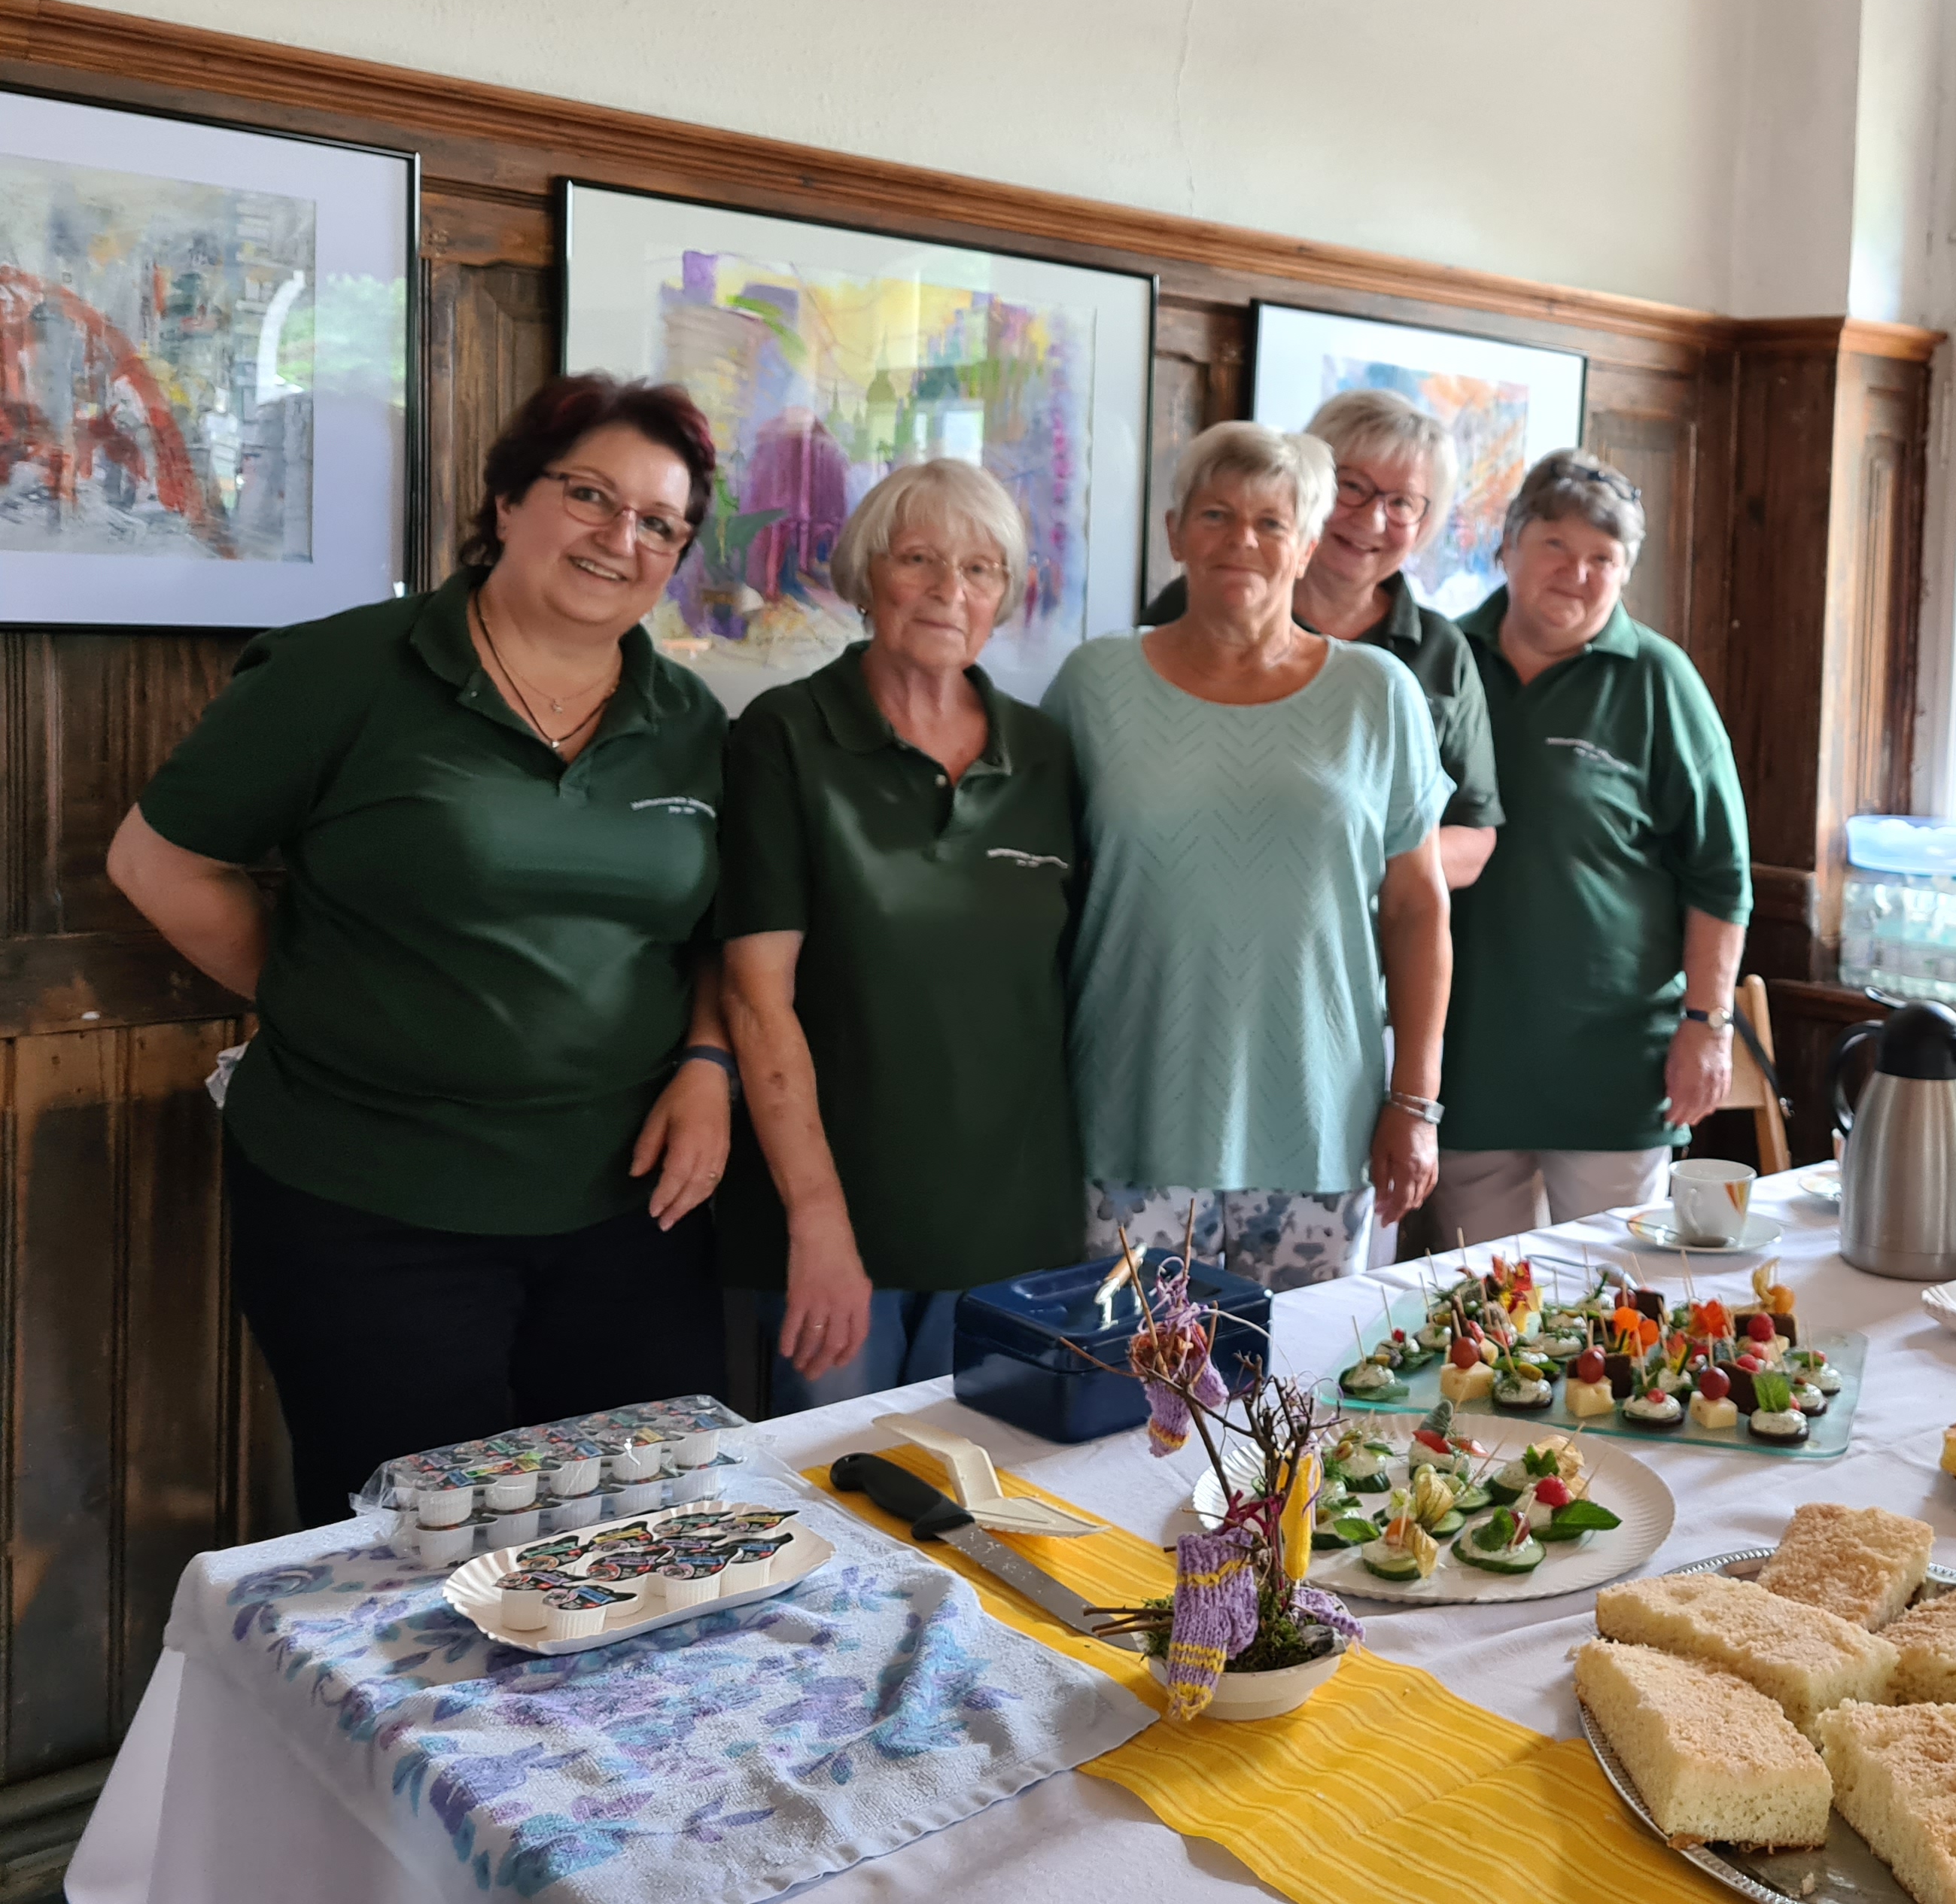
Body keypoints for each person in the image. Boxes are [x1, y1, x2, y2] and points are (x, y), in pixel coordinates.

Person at [105, 376, 734, 1525]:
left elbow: (708, 939)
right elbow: (157, 864)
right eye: (589, 495)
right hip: (370, 1210)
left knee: (639, 1542)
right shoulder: (342, 674)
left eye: (659, 523)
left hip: (627, 1217)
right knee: (408, 1571)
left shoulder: (691, 721)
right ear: (506, 498)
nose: (619, 538)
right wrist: (331, 1001)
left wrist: (707, 1066)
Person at [1045, 421, 1452, 1289]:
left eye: (1272, 523)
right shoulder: (1094, 684)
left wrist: (1415, 1103)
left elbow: (1418, 907)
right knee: (1128, 1406)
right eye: (1217, 514)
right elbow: (1042, 896)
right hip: (1129, 1114)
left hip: (1319, 1124)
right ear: (1175, 532)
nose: (1243, 542)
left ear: (1307, 545)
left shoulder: (1378, 694)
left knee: (1296, 1411)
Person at [715, 459, 1081, 1410]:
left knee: (984, 1511)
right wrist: (819, 1222)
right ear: (868, 574)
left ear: (1007, 593)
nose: (949, 591)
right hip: (837, 1227)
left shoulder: (1047, 753)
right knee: (836, 1512)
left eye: (981, 569)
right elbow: (757, 997)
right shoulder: (785, 735)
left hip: (1017, 1227)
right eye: (918, 559)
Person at [1428, 449, 1753, 1245]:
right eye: (1555, 547)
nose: (1576, 574)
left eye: (1602, 559)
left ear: (1626, 572)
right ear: (1506, 547)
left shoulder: (1658, 679)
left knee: (1611, 1309)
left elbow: (1721, 873)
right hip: (1463, 1059)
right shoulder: (1441, 659)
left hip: (1616, 1069)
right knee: (1484, 1312)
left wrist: (1707, 1027)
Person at [1143, 387, 1501, 887]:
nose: (1372, 519)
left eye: (1402, 502)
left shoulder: (1442, 650)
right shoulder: (1198, 601)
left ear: (1424, 525)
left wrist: (1337, 864)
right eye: (1351, 487)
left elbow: (1474, 834)